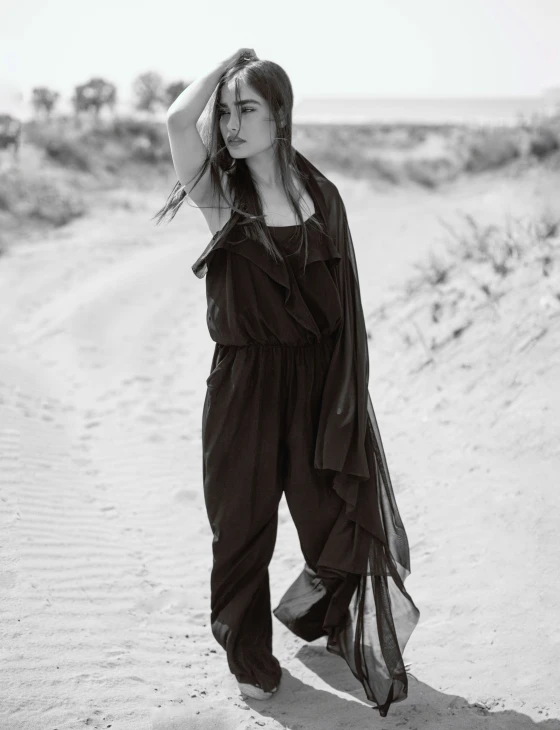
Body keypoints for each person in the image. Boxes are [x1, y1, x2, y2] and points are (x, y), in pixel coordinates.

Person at [153, 49, 420, 717]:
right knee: (241, 525)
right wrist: (228, 66)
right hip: (243, 383)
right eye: (227, 110)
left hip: (315, 381)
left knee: (331, 514)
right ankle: (248, 654)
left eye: (246, 109)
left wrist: (346, 394)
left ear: (280, 116)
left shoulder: (320, 196)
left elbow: (342, 307)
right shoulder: (220, 196)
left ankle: (314, 613)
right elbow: (178, 120)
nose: (230, 122)